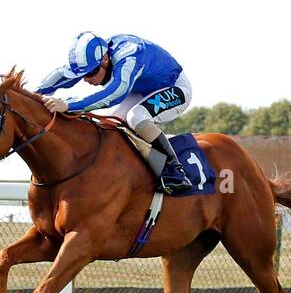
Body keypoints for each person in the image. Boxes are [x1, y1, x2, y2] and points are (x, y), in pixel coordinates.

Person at [35, 31, 193, 193]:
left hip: (175, 88)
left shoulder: (129, 57)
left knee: (136, 117)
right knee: (107, 121)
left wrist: (68, 105)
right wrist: (33, 94)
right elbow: (63, 75)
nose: (87, 79)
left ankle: (175, 171)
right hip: (140, 89)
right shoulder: (98, 56)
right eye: (82, 75)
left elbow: (115, 94)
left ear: (105, 59)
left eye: (90, 73)